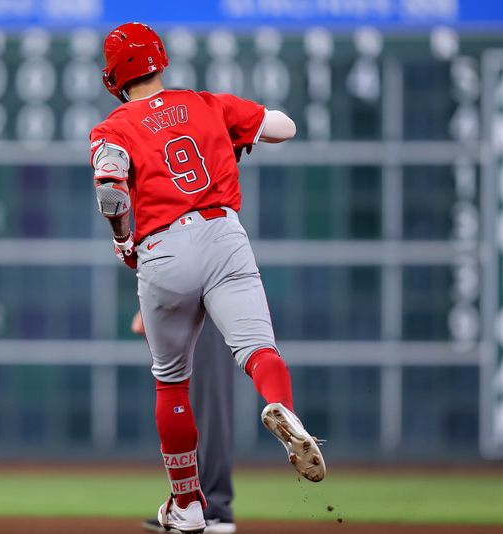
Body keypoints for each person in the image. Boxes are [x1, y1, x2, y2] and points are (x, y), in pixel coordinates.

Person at [90, 22, 326, 534]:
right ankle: (281, 407)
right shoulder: (208, 103)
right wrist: (242, 135)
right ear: (160, 59)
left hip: (162, 249)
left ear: (114, 76)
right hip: (223, 235)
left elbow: (110, 189)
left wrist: (121, 239)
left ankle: (187, 505)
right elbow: (284, 127)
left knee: (172, 384)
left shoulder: (113, 127)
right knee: (259, 349)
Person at [132, 311, 236, 533]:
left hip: (208, 303)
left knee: (209, 406)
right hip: (187, 302)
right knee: (188, 404)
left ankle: (214, 510)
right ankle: (192, 506)